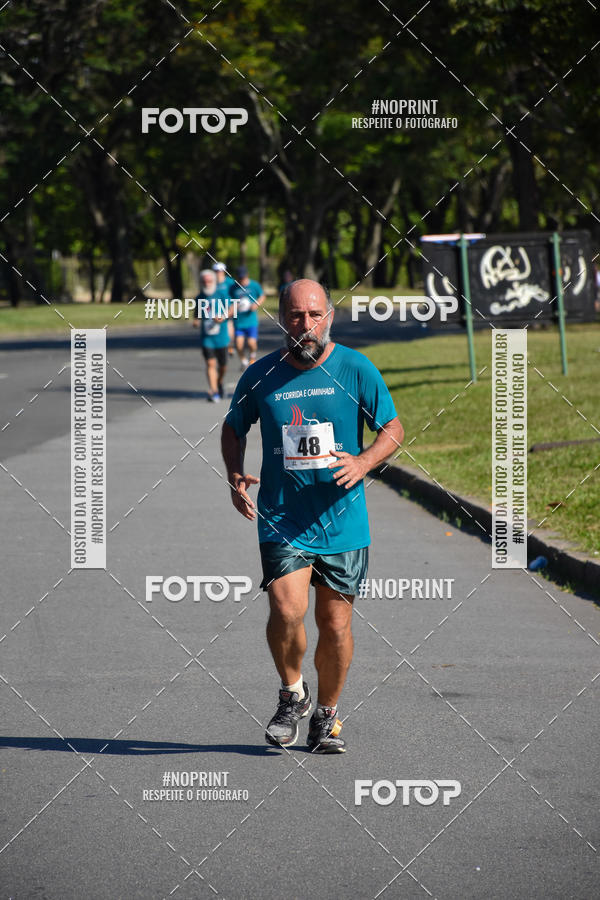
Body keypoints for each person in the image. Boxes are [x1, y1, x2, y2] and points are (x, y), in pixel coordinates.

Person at [221, 279, 403, 753]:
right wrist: (235, 474)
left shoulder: (356, 368)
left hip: (343, 519)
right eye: (296, 315)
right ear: (282, 319)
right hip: (282, 517)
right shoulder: (261, 374)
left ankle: (326, 714)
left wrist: (364, 462)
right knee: (286, 609)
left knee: (335, 623)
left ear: (329, 318)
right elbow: (233, 428)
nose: (306, 324)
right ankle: (291, 694)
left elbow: (392, 428)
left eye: (315, 315)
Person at [193, 269, 230, 402]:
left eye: (209, 281)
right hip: (207, 337)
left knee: (223, 366)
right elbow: (197, 314)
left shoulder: (221, 294)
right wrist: (196, 321)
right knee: (210, 363)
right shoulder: (199, 297)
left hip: (222, 336)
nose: (207, 283)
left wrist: (223, 317)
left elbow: (232, 308)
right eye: (204, 281)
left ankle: (219, 382)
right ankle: (214, 391)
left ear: (214, 281)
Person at [229, 266, 265, 369]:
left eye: (243, 278)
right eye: (240, 278)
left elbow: (262, 296)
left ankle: (252, 356)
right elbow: (230, 302)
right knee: (239, 344)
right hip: (239, 322)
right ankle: (244, 361)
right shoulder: (233, 288)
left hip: (251, 321)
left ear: (247, 275)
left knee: (251, 342)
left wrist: (256, 304)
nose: (242, 280)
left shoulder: (254, 285)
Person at [213, 262, 237, 356]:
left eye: (220, 271)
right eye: (216, 271)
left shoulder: (230, 282)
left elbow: (236, 294)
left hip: (228, 309)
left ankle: (230, 346)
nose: (218, 273)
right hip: (215, 310)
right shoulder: (212, 282)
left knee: (229, 328)